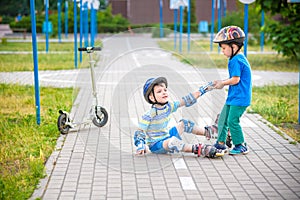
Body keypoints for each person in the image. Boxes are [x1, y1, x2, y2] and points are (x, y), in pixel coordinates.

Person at [133, 77, 224, 158]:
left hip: (167, 136)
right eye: (159, 91)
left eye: (165, 90)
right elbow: (139, 132)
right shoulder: (148, 115)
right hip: (156, 145)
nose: (164, 92)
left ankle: (212, 132)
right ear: (152, 98)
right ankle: (199, 149)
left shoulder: (169, 107)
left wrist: (204, 89)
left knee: (184, 123)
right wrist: (141, 145)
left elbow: (186, 100)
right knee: (172, 141)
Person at [212, 25, 252, 155]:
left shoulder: (236, 60)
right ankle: (221, 143)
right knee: (223, 119)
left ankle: (241, 145)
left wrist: (222, 83)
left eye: (224, 48)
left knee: (232, 121)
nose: (222, 51)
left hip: (240, 98)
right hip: (233, 97)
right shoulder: (236, 58)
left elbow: (235, 80)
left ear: (234, 46)